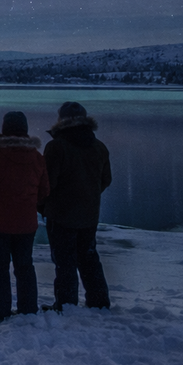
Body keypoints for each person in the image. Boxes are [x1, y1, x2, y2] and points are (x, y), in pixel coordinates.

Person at [0, 111, 49, 320]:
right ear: (25, 129)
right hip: (26, 224)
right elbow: (44, 192)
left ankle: (1, 310)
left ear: (5, 129)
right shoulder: (37, 158)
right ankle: (28, 309)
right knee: (25, 267)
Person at [42, 101, 112, 310]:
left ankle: (66, 304)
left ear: (61, 120)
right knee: (89, 258)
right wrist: (88, 194)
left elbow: (47, 184)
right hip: (89, 214)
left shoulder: (56, 147)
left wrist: (44, 204)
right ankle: (99, 303)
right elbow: (106, 179)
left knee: (64, 261)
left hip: (61, 214)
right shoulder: (99, 147)